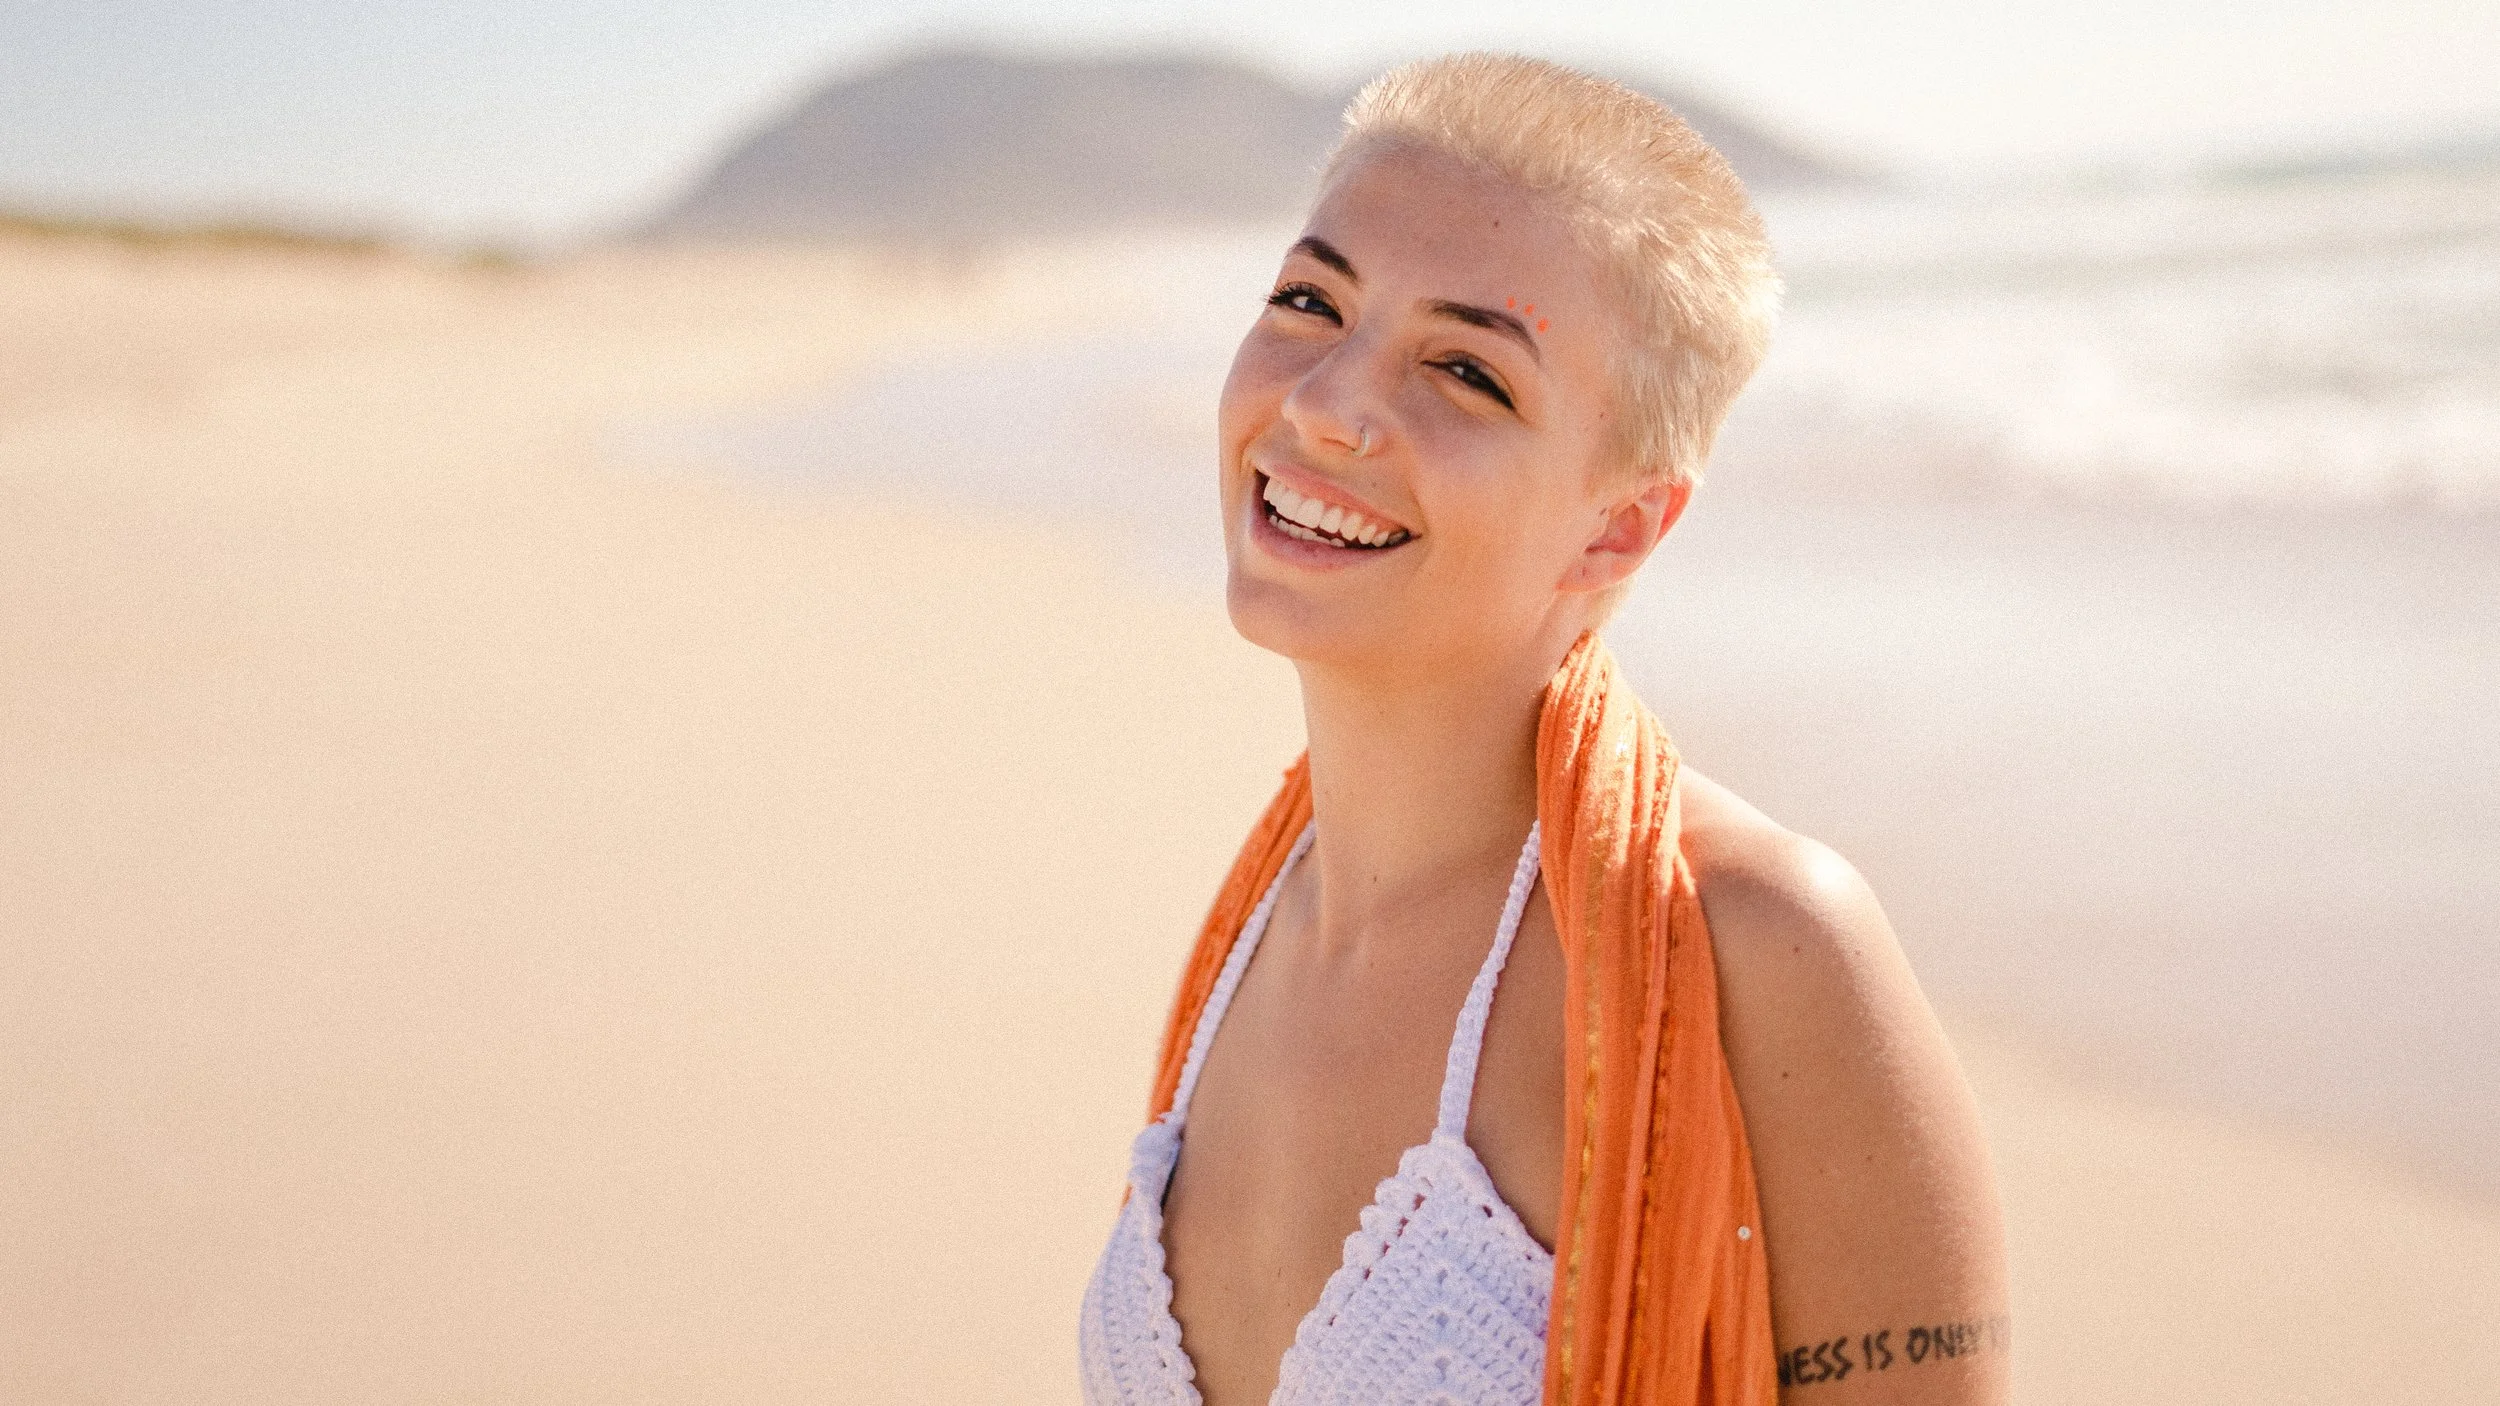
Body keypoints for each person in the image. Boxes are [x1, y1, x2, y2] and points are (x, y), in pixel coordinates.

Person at [1078, 53, 2008, 1405]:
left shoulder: (1758, 941)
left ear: (1622, 521)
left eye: (1464, 369)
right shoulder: (1247, 931)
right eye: (1306, 300)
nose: (1327, 403)